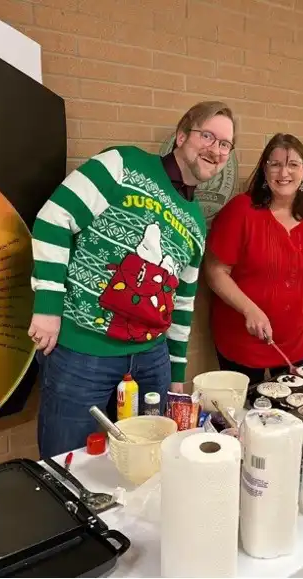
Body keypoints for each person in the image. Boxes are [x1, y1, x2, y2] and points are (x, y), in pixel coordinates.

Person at [28, 101, 236, 457]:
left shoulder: (196, 221)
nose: (215, 150)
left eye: (225, 145)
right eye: (207, 136)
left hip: (150, 359)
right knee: (68, 461)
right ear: (182, 135)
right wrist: (47, 307)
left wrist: (174, 374)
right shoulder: (122, 164)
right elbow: (53, 220)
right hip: (83, 352)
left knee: (143, 461)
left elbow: (181, 304)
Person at [204, 133, 303, 384]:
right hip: (243, 339)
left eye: (293, 165)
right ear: (264, 169)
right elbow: (215, 271)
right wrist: (250, 310)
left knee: (293, 414)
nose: (284, 173)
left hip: (297, 339)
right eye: (276, 164)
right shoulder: (241, 211)